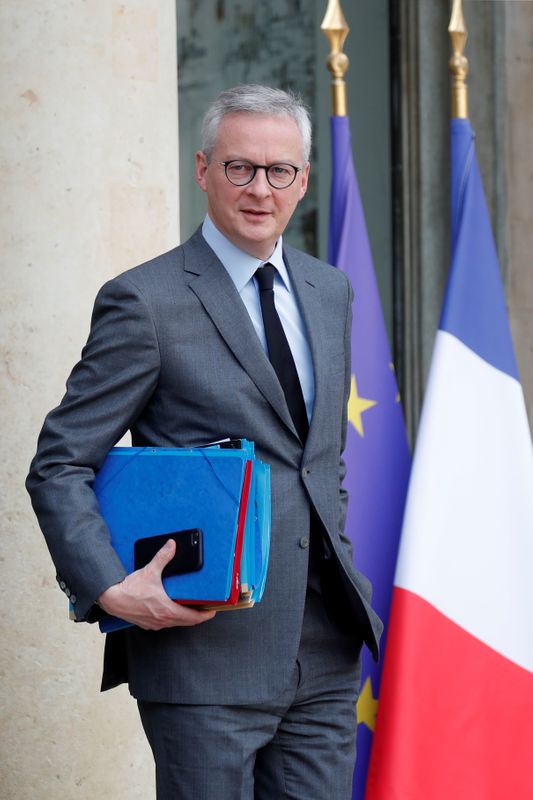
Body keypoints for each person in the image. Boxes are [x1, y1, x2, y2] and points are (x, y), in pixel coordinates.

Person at [26, 85, 382, 800]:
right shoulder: (145, 300)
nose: (259, 188)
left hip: (324, 649)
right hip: (202, 651)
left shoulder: (328, 290)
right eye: (238, 167)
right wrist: (109, 587)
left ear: (303, 179)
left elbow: (317, 463)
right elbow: (60, 462)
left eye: (279, 170)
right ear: (202, 171)